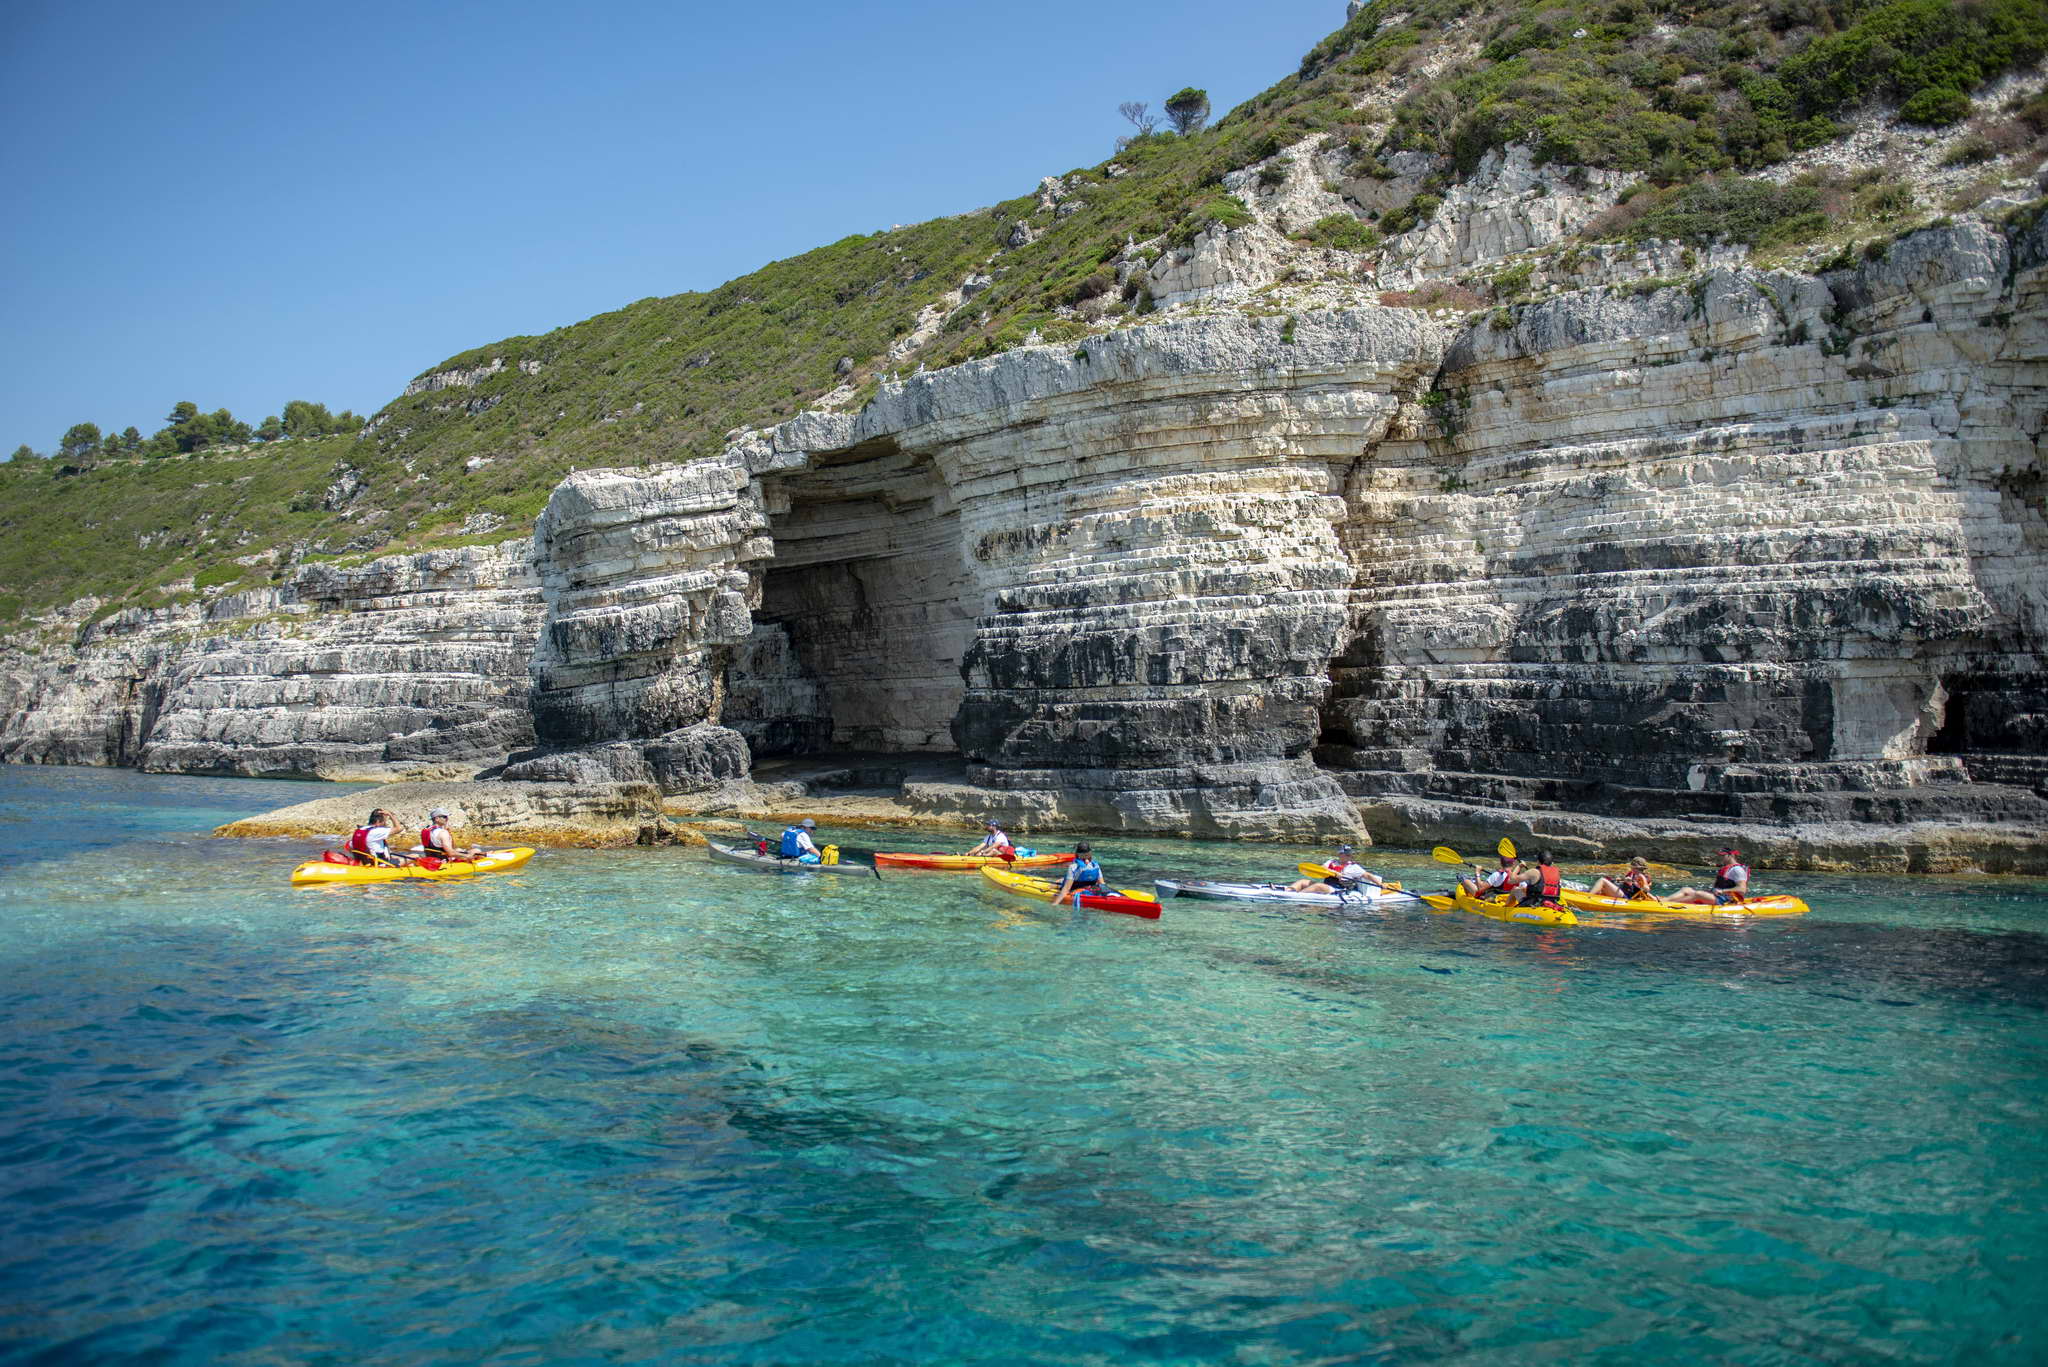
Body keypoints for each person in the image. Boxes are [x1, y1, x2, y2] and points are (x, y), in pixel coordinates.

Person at [1289, 845, 1385, 895]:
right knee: (1303, 881)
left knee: (1318, 886)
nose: (1349, 856)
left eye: (1350, 854)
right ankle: (1288, 890)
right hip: (1327, 886)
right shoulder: (1331, 862)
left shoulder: (1354, 867)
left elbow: (1367, 875)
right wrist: (1334, 873)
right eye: (1346, 854)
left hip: (1339, 889)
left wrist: (1380, 884)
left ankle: (1297, 895)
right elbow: (1321, 869)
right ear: (1340, 854)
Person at [1670, 848, 1750, 905]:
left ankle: (1670, 904)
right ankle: (1664, 901)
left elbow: (1742, 889)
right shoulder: (1725, 869)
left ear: (1731, 855)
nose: (1720, 858)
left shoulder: (1737, 870)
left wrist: (1722, 891)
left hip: (1728, 900)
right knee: (1686, 889)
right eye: (1720, 856)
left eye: (1723, 856)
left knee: (1699, 894)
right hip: (1719, 897)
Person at [343, 808, 411, 866]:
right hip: (381, 864)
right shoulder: (377, 831)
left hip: (365, 861)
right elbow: (399, 828)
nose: (385, 823)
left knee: (394, 856)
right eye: (384, 821)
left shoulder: (359, 830)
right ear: (378, 821)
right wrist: (390, 815)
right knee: (415, 856)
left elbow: (349, 846)